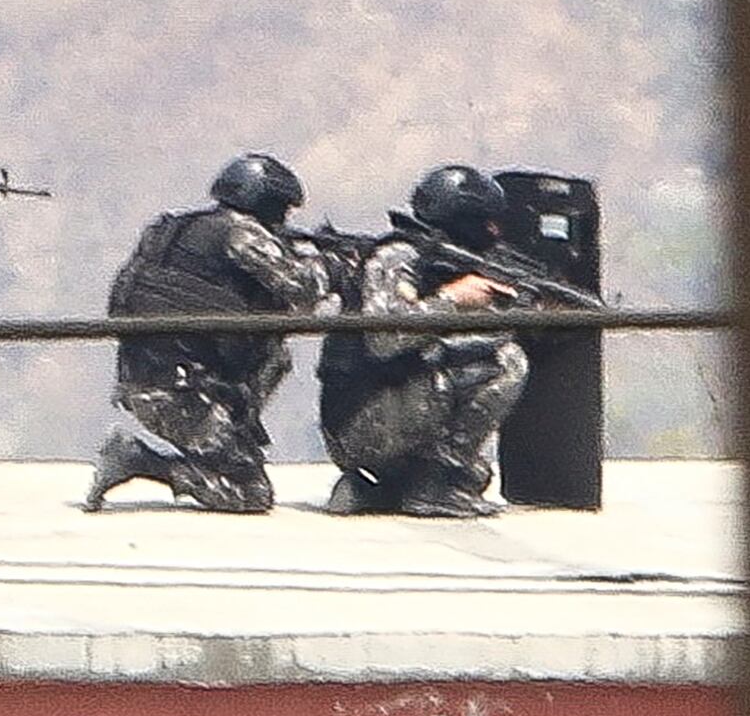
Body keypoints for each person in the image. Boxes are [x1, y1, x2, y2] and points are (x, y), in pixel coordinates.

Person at [83, 153, 336, 514]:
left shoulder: (171, 231)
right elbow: (303, 288)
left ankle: (230, 437)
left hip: (145, 382)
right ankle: (138, 461)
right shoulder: (241, 234)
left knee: (271, 346)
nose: (283, 219)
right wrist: (330, 265)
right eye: (281, 209)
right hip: (183, 394)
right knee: (250, 493)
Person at [316, 164, 530, 518]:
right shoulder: (399, 256)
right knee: (507, 361)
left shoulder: (439, 260)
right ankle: (433, 488)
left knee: (476, 475)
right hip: (360, 419)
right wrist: (453, 299)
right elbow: (386, 338)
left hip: (375, 415)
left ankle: (379, 488)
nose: (494, 232)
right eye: (486, 222)